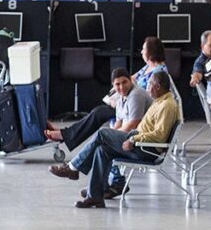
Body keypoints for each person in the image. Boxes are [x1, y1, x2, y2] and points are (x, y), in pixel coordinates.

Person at [48, 71, 179, 208]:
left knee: (102, 133)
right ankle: (95, 196)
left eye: (150, 84)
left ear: (157, 87)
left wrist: (133, 139)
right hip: (140, 142)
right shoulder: (159, 102)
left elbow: (159, 135)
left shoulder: (167, 106)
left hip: (145, 149)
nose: (147, 87)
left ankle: (73, 168)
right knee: (102, 150)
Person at [45, 67, 152, 198]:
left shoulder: (136, 95)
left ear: (130, 80)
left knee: (102, 134)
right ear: (113, 85)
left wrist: (111, 135)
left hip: (140, 143)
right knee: (102, 146)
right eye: (117, 84)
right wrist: (112, 134)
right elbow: (119, 122)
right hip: (130, 138)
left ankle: (73, 167)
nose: (121, 87)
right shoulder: (120, 97)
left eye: (124, 82)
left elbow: (132, 124)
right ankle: (99, 187)